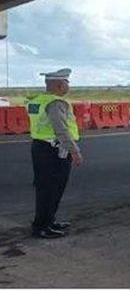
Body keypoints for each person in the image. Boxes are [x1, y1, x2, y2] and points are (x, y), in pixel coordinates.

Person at [26, 68, 83, 239]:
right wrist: (75, 151)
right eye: (67, 83)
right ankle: (42, 226)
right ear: (59, 85)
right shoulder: (55, 103)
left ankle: (48, 221)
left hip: (40, 147)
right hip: (53, 150)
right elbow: (61, 129)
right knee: (51, 188)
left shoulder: (37, 100)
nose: (68, 86)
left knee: (47, 188)